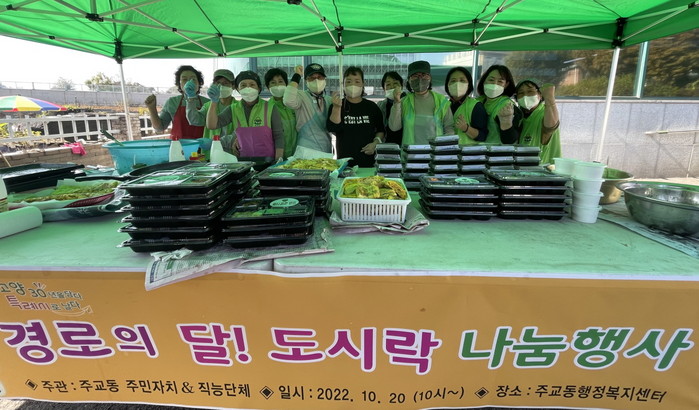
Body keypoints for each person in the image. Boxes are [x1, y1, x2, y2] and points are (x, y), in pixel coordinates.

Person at [207, 71, 284, 160]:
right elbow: (212, 125)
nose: (248, 88)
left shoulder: (270, 107)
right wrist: (214, 101)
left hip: (267, 160)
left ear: (259, 88)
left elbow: (278, 136)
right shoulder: (233, 109)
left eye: (252, 85)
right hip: (243, 161)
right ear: (238, 89)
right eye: (243, 85)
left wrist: (278, 160)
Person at [326, 66, 385, 167]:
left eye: (357, 81)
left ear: (363, 84)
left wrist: (375, 143)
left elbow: (381, 130)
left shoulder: (371, 107)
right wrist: (337, 108)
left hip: (368, 162)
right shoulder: (337, 105)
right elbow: (333, 128)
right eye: (348, 82)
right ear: (343, 85)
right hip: (345, 163)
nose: (353, 85)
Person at [388, 60, 454, 145]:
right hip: (410, 152)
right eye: (415, 76)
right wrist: (397, 103)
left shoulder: (441, 101)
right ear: (409, 80)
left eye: (423, 75)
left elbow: (449, 128)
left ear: (429, 78)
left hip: (435, 152)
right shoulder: (404, 101)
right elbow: (394, 127)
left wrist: (444, 149)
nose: (420, 79)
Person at [144, 65, 208, 139]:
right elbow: (159, 128)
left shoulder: (207, 103)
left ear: (199, 83)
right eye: (184, 79)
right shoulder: (172, 102)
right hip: (177, 145)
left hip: (201, 145)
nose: (189, 82)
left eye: (193, 79)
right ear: (179, 84)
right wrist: (152, 109)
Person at [283, 63, 333, 153]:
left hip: (326, 149)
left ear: (324, 79)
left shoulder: (330, 100)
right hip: (305, 149)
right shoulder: (301, 96)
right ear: (306, 81)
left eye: (319, 77)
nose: (316, 80)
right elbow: (288, 100)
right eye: (312, 78)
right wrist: (297, 75)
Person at [515, 80, 561, 164]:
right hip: (523, 168)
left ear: (540, 95)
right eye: (521, 93)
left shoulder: (544, 112)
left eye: (530, 91)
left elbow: (551, 127)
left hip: (544, 169)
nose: (525, 96)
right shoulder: (519, 116)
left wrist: (549, 98)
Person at [475, 65, 522, 144]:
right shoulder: (478, 101)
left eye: (500, 81)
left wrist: (506, 123)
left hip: (497, 151)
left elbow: (510, 139)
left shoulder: (507, 105)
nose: (495, 84)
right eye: (491, 80)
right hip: (477, 150)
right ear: (484, 81)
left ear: (506, 85)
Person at [186, 68, 236, 141]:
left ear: (233, 86)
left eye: (225, 83)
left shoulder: (238, 107)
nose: (221, 86)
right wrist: (191, 98)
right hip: (211, 146)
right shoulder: (208, 106)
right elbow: (194, 120)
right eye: (218, 83)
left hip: (231, 147)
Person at [444, 66, 488, 145]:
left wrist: (466, 128)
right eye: (453, 81)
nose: (457, 84)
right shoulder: (443, 105)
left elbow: (482, 136)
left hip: (467, 152)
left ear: (468, 85)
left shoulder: (476, 106)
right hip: (445, 151)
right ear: (447, 85)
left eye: (462, 80)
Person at [264, 68, 297, 159]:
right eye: (273, 83)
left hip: (297, 155)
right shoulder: (267, 108)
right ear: (268, 88)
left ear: (286, 84)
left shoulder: (294, 103)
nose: (277, 85)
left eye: (280, 81)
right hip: (277, 155)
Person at [375, 71, 405, 145]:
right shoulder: (380, 106)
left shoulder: (408, 103)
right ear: (384, 89)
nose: (392, 87)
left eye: (395, 83)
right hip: (386, 146)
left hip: (405, 144)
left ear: (401, 86)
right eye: (388, 84)